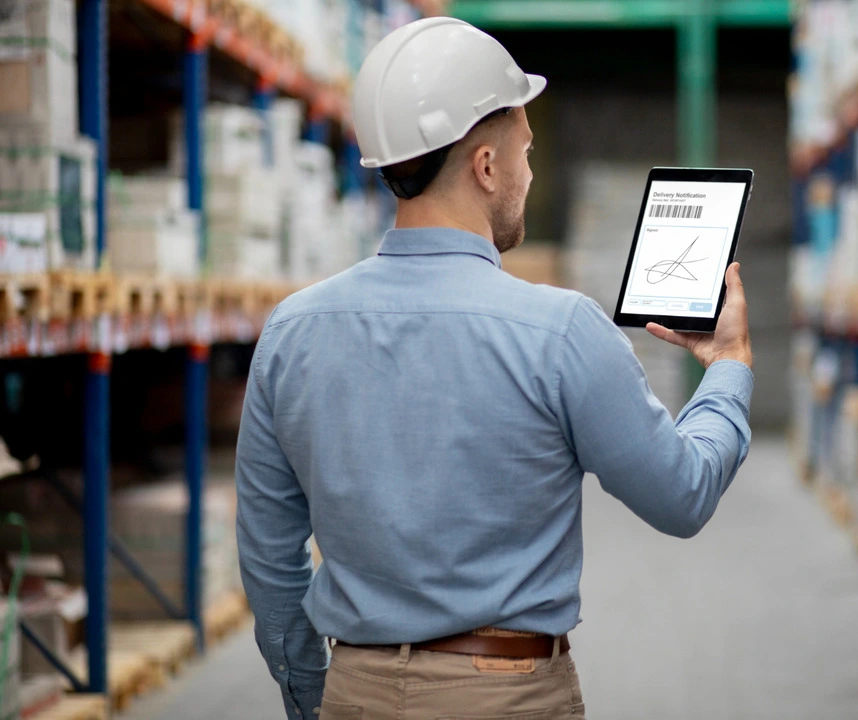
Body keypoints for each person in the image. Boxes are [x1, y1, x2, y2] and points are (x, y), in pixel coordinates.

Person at [236, 17, 753, 720]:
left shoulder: (293, 332)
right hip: (506, 697)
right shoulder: (561, 331)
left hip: (352, 693)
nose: (529, 173)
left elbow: (270, 556)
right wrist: (726, 368)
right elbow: (682, 495)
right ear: (486, 166)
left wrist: (311, 694)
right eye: (525, 153)